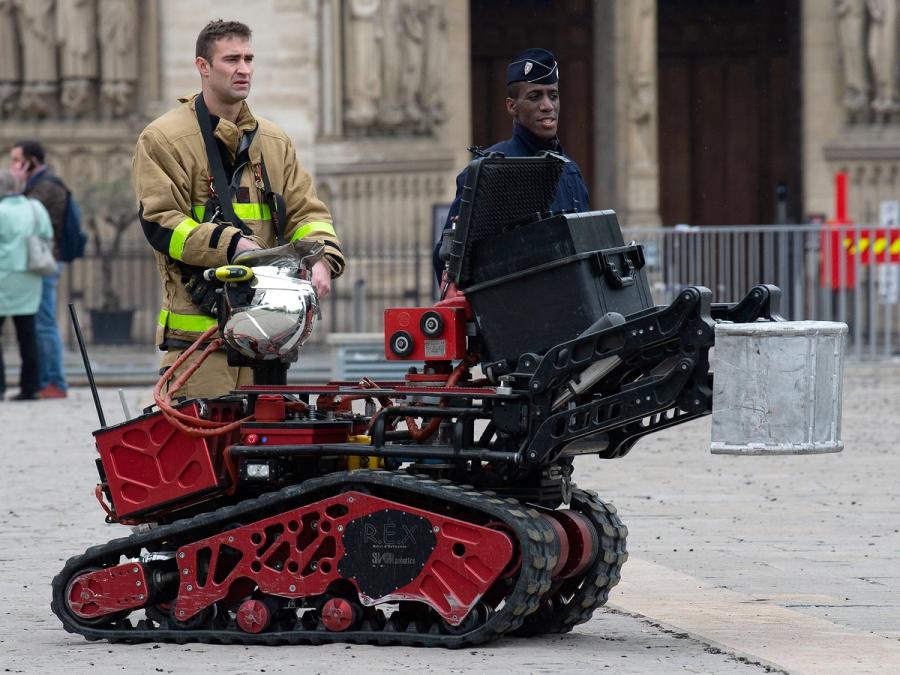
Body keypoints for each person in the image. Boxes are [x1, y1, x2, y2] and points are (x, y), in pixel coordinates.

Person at [133, 19, 344, 399]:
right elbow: (161, 223)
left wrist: (321, 257)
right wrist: (232, 246)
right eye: (231, 59)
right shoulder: (163, 139)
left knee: (265, 451)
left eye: (249, 58)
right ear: (203, 66)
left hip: (269, 338)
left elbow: (308, 212)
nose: (244, 69)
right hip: (199, 342)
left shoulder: (275, 141)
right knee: (205, 451)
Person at [433, 47, 590, 280]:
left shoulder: (570, 170)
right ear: (511, 106)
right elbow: (449, 261)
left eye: (553, 95)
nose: (547, 105)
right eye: (535, 96)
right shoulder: (489, 170)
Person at [9, 140, 69, 399]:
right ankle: (47, 380)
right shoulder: (41, 185)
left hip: (44, 263)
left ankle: (53, 381)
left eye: (16, 160)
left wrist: (17, 186)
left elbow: (24, 219)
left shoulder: (45, 188)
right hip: (41, 262)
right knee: (40, 322)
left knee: (44, 324)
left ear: (31, 161)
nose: (12, 166)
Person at [0, 169, 53, 401]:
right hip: (29, 276)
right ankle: (30, 387)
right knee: (28, 332)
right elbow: (47, 234)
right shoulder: (35, 208)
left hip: (3, 276)